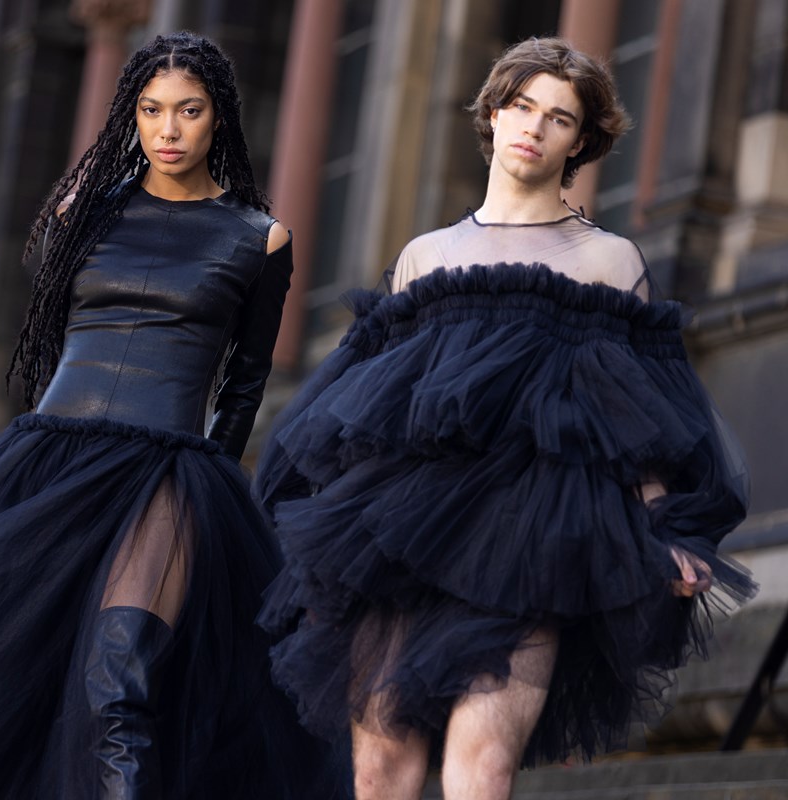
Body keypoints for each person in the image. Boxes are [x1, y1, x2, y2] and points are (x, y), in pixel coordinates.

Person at [0, 31, 339, 800]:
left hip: (165, 477)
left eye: (189, 111)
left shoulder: (259, 239)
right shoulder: (83, 215)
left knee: (120, 676)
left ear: (220, 120)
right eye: (150, 111)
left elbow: (242, 389)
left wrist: (206, 503)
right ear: (130, 118)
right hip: (49, 463)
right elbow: (44, 328)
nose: (168, 130)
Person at [255, 37, 754, 800]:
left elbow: (641, 414)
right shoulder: (426, 257)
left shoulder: (609, 263)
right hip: (403, 529)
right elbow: (370, 407)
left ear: (581, 141)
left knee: (480, 766)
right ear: (493, 112)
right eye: (521, 106)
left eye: (558, 117)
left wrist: (667, 526)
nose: (534, 127)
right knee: (379, 765)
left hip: (531, 532)